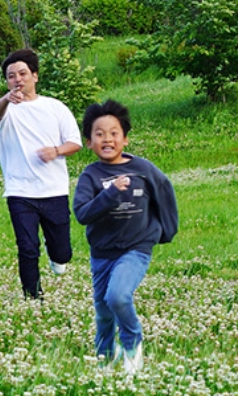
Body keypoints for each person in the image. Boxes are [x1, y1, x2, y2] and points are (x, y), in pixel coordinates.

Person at [73, 100, 177, 374]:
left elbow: (165, 193)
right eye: (99, 134)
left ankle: (132, 343)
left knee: (118, 296)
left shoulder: (143, 169)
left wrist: (165, 232)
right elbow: (82, 213)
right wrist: (111, 194)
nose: (107, 138)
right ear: (88, 143)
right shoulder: (90, 176)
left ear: (125, 138)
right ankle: (105, 359)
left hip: (136, 248)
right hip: (102, 253)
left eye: (114, 132)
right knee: (104, 311)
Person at [0, 48, 82, 300]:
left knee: (63, 254)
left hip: (54, 190)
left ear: (35, 76)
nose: (17, 79)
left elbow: (75, 142)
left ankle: (56, 256)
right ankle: (33, 296)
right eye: (11, 76)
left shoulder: (56, 107)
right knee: (27, 247)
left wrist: (56, 151)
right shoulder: (3, 112)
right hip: (20, 192)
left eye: (22, 74)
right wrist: (6, 99)